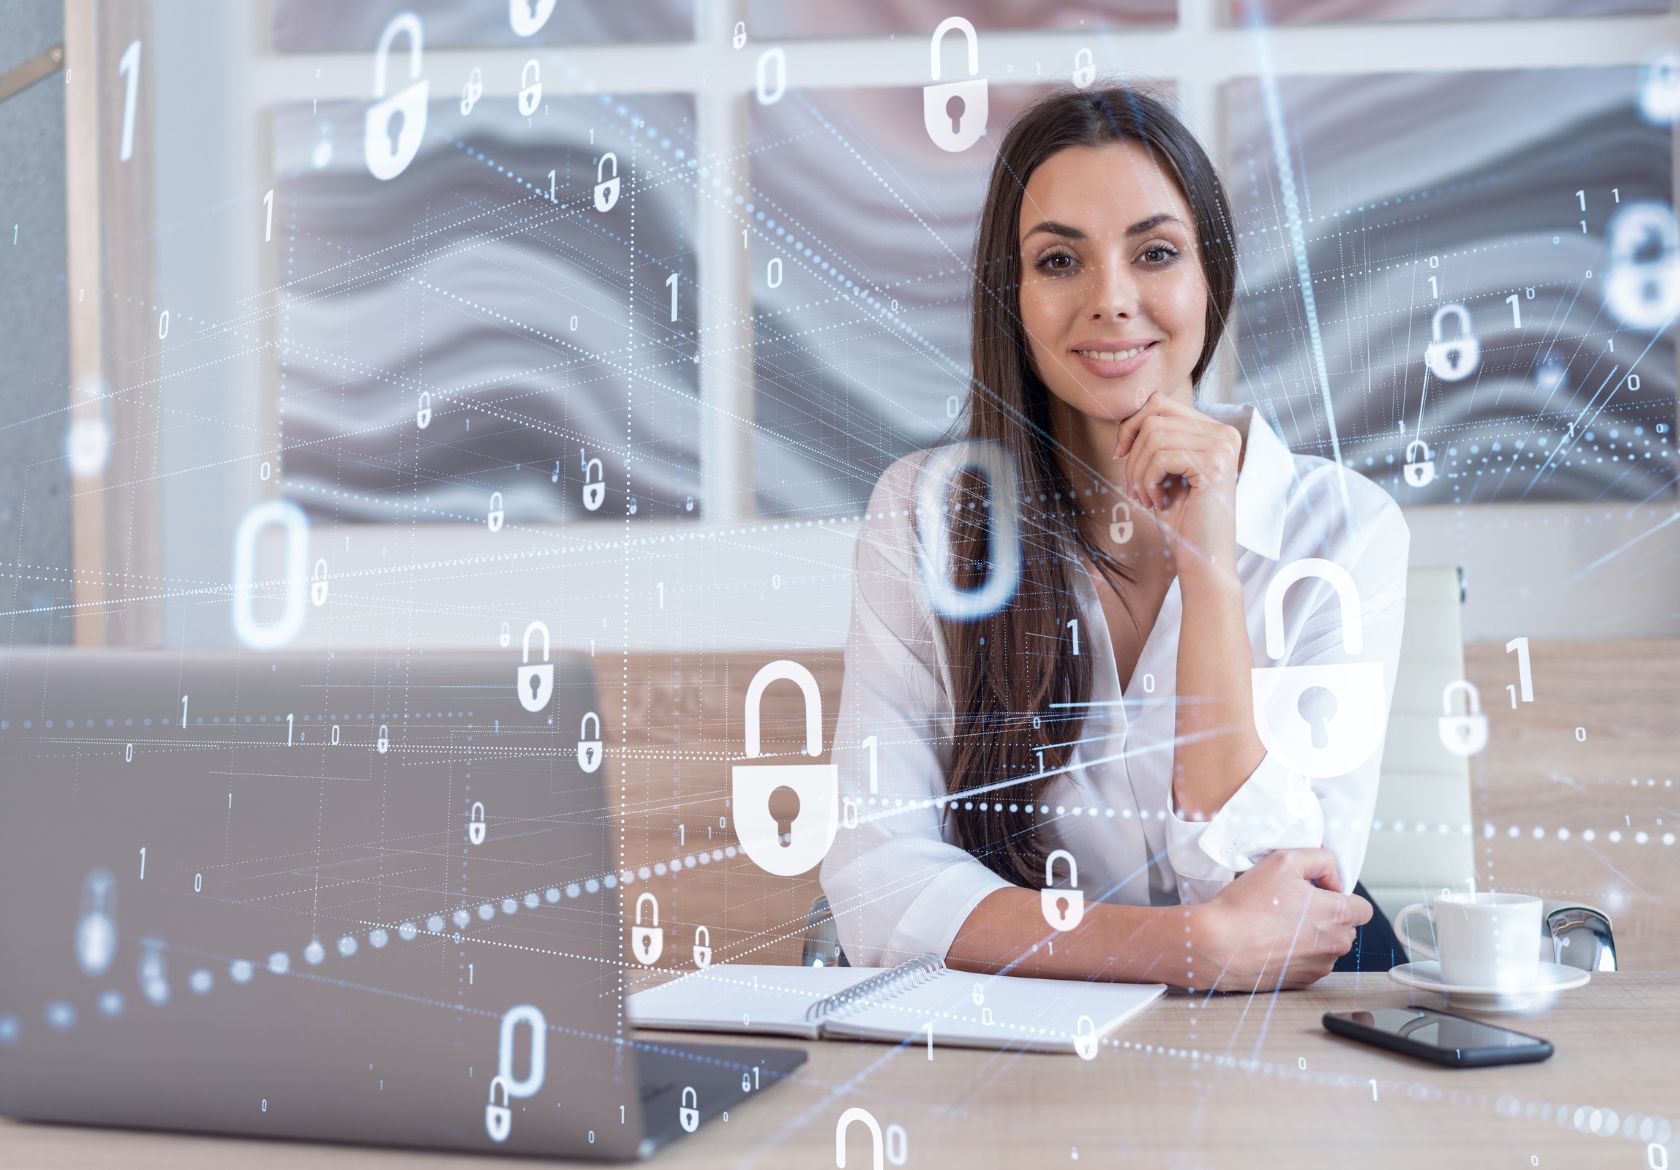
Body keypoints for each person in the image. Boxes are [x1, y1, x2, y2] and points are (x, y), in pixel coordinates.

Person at [820, 85, 1410, 991]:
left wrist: (1210, 572)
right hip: (1012, 1062)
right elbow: (879, 884)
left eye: (1156, 252)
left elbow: (1295, 902)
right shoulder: (924, 517)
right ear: (1011, 294)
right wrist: (1182, 948)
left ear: (1210, 273)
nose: (1112, 300)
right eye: (1061, 261)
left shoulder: (1346, 532)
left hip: (1274, 1064)